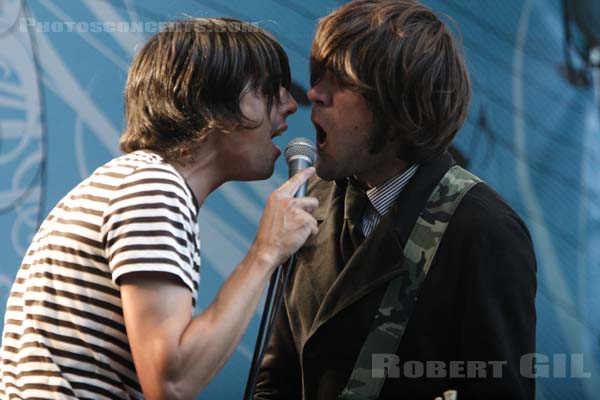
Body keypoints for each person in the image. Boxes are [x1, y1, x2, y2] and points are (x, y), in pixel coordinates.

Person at [0, 18, 319, 399]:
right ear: (212, 102)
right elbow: (172, 383)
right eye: (268, 90)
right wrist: (266, 252)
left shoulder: (136, 182)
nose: (287, 107)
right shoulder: (153, 188)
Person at [254, 1, 537, 399]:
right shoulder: (312, 196)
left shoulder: (485, 232)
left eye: (341, 81)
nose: (314, 92)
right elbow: (277, 375)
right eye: (319, 75)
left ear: (400, 109)